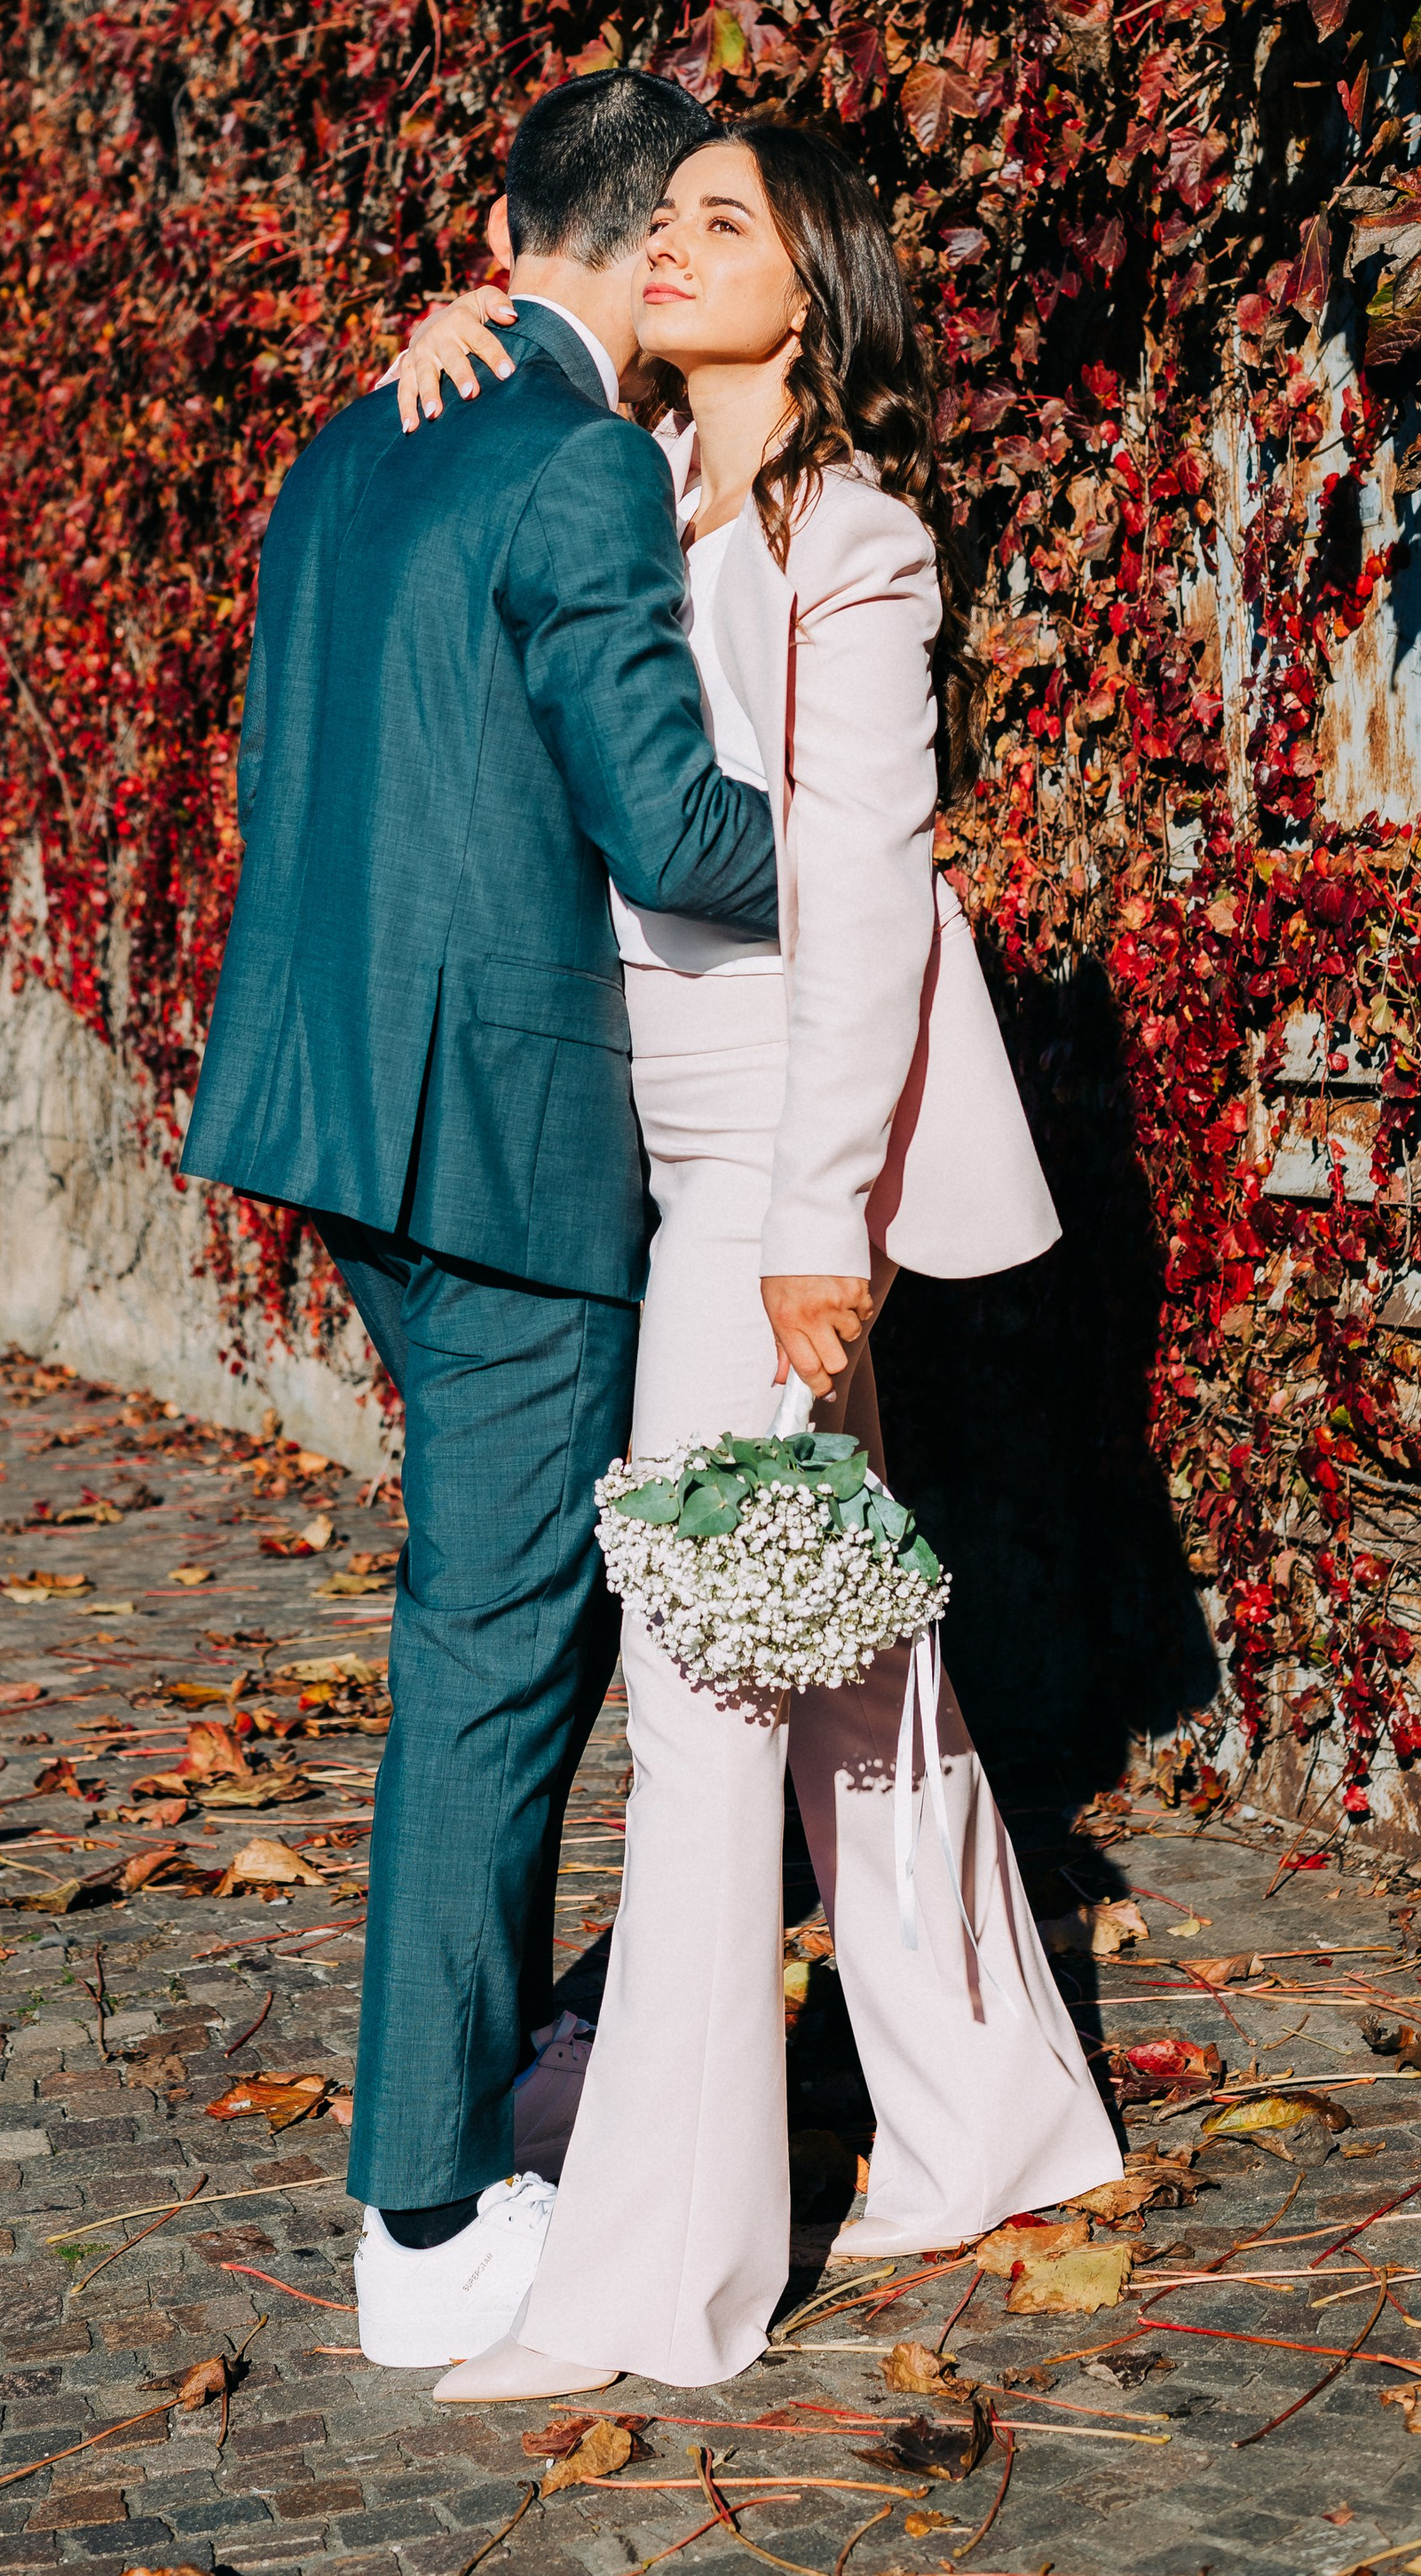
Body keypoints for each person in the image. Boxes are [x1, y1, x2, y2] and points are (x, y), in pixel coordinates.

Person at [388, 122, 1118, 2398]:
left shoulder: (852, 540)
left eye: (722, 221)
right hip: (649, 1157)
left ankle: (662, 2264)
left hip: (756, 1188)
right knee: (835, 1658)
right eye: (659, 220)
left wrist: (819, 1226)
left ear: (813, 292)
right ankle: (992, 2116)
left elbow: (869, 896)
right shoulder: (628, 488)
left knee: (703, 1691)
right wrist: (463, 335)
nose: (670, 248)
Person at [182, 68, 781, 2371]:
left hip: (332, 1102)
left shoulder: (355, 444)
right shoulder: (577, 459)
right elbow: (665, 825)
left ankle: (490, 2064)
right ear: (648, 261)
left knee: (497, 1612)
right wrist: (843, 844)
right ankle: (427, 2217)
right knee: (502, 1636)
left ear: (499, 224)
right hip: (501, 1140)